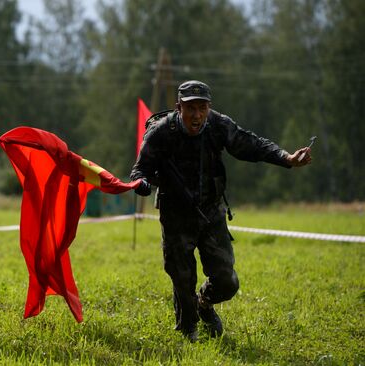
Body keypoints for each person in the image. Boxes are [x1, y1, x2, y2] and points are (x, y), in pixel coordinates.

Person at [130, 80, 312, 342]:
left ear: (209, 107)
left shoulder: (217, 125)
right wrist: (142, 184)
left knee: (227, 281)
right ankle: (189, 331)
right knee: (182, 278)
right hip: (176, 215)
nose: (197, 115)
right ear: (179, 107)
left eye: (202, 108)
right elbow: (140, 169)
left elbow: (251, 144)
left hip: (211, 211)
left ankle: (204, 304)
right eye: (190, 108)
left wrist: (286, 158)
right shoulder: (161, 132)